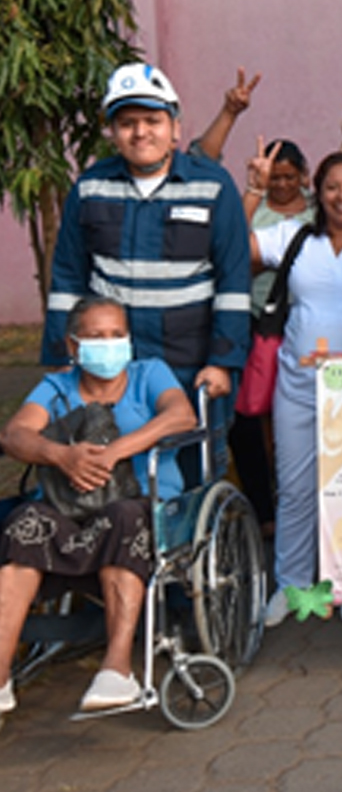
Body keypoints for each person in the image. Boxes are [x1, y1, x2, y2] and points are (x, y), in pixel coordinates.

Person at [44, 63, 251, 482]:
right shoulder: (89, 188)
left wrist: (224, 362)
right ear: (113, 132)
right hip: (109, 363)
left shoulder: (213, 186)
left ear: (175, 128)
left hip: (189, 363)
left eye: (152, 120)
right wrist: (59, 356)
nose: (140, 133)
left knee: (190, 470)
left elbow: (233, 282)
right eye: (127, 123)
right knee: (110, 468)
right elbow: (67, 280)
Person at [0, 297, 197, 714]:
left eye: (116, 335)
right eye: (95, 337)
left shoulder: (149, 374)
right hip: (67, 509)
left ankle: (117, 669)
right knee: (24, 523)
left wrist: (117, 451)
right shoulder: (57, 387)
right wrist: (61, 456)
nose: (108, 345)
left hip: (138, 503)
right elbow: (15, 434)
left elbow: (182, 416)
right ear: (73, 347)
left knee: (126, 519)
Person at [248, 149, 342, 627]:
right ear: (318, 192)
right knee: (294, 487)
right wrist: (254, 187)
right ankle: (292, 585)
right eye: (332, 186)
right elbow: (236, 246)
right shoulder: (294, 237)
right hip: (298, 381)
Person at [231, 137, 315, 533]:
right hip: (259, 322)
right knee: (256, 412)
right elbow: (229, 247)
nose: (282, 186)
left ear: (303, 176)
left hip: (308, 322)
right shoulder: (260, 215)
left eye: (289, 177)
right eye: (275, 179)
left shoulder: (318, 211)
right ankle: (267, 505)